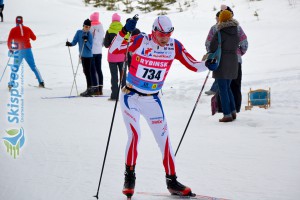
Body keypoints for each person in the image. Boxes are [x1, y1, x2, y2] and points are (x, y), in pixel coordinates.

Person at [109, 15, 207, 198]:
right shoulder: (141, 41)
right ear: (154, 31)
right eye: (161, 34)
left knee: (165, 141)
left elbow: (194, 65)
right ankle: (129, 177)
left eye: (168, 33)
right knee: (135, 135)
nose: (165, 38)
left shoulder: (174, 46)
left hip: (152, 100)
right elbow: (114, 50)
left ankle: (172, 182)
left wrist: (209, 64)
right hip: (131, 96)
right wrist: (124, 31)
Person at [206, 5, 248, 114]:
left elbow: (209, 44)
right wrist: (237, 53)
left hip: (220, 61)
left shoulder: (215, 29)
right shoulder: (238, 28)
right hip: (236, 61)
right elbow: (244, 44)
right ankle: (235, 109)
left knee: (222, 87)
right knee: (235, 86)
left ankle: (224, 110)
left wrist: (214, 55)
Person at [209, 10, 239, 122]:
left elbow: (212, 48)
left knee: (223, 89)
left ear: (221, 19)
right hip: (233, 62)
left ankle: (227, 114)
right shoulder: (236, 31)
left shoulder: (220, 33)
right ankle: (233, 111)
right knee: (228, 88)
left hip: (222, 63)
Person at [7, 16, 44, 90]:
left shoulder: (13, 30)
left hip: (18, 51)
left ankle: (11, 84)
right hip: (28, 50)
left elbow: (9, 41)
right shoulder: (27, 29)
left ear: (16, 21)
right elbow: (34, 38)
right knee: (33, 66)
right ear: (22, 21)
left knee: (15, 67)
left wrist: (11, 49)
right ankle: (41, 82)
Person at [66, 19, 97, 97]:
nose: (87, 28)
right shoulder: (79, 32)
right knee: (85, 72)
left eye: (89, 27)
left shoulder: (89, 35)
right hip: (82, 56)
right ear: (83, 26)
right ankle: (90, 88)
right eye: (86, 26)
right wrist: (70, 44)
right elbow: (74, 41)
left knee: (87, 72)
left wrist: (86, 41)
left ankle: (89, 89)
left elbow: (90, 47)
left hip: (88, 56)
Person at [104, 13, 128, 100]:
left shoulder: (109, 31)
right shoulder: (124, 30)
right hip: (122, 56)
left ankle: (114, 95)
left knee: (114, 77)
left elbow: (106, 45)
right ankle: (124, 95)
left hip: (112, 57)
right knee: (123, 76)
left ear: (112, 20)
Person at [204, 11, 221, 96]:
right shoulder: (214, 28)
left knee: (222, 73)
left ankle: (215, 89)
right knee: (218, 72)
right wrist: (210, 53)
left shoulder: (229, 28)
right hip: (216, 54)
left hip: (224, 55)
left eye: (217, 17)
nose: (216, 19)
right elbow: (208, 42)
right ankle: (214, 89)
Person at [90, 11, 105, 95]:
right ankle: (100, 89)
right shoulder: (101, 26)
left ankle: (95, 89)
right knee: (99, 70)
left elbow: (91, 39)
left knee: (93, 70)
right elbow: (102, 40)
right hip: (99, 51)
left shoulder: (91, 26)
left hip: (92, 51)